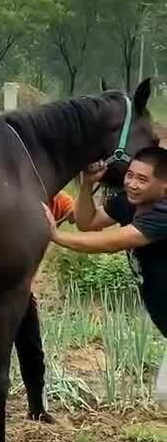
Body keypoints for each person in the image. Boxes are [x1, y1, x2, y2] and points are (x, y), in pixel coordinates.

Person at [0, 188, 75, 429]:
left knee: (32, 349)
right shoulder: (7, 193)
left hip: (21, 291)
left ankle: (37, 409)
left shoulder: (56, 199)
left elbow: (81, 217)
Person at [47, 146, 167, 344]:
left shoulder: (162, 213)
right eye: (130, 175)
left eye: (142, 180)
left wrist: (55, 235)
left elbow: (111, 243)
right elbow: (87, 222)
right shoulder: (129, 203)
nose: (132, 184)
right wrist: (87, 184)